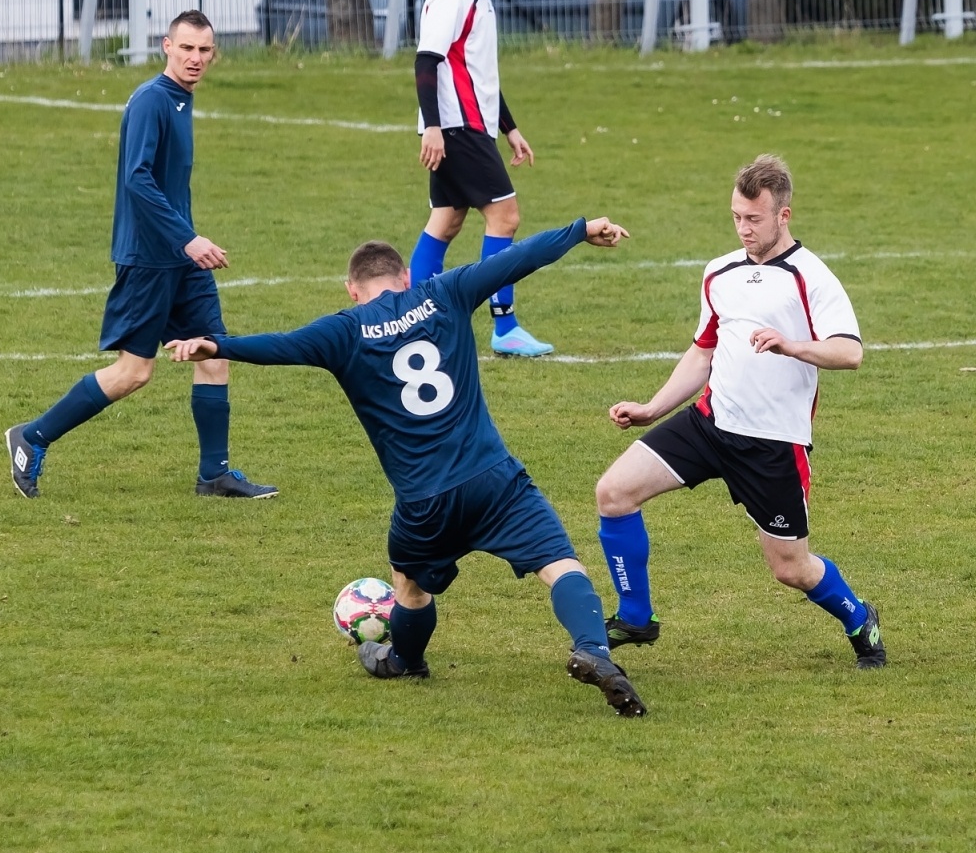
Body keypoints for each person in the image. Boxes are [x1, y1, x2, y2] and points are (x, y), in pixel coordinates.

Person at [166, 217, 647, 717]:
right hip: (494, 479)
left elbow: (280, 345)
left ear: (352, 290)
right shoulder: (445, 291)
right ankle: (593, 649)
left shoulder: (343, 330)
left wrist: (217, 345)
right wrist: (580, 229)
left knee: (409, 585)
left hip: (424, 501)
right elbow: (518, 257)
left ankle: (404, 660)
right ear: (405, 278)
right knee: (560, 564)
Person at [591, 154, 886, 668]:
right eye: (736, 217)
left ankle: (860, 618)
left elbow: (850, 352)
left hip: (772, 443)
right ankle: (636, 617)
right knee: (613, 493)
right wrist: (652, 408)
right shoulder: (719, 272)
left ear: (783, 215)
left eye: (754, 218)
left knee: (790, 568)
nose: (744, 228)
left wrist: (791, 345)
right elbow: (702, 351)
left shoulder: (810, 277)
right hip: (709, 424)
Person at [5, 9, 276, 501]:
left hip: (182, 258)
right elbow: (137, 179)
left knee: (213, 351)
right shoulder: (153, 100)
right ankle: (32, 437)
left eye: (204, 50)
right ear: (166, 46)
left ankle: (214, 474)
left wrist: (187, 243)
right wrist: (187, 239)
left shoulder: (180, 99)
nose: (196, 58)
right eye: (187, 48)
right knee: (134, 372)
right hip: (150, 259)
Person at [406, 0, 553, 359]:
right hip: (457, 129)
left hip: (467, 127)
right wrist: (433, 127)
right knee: (505, 218)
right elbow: (426, 62)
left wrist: (510, 128)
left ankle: (415, 321)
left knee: (446, 222)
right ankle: (504, 326)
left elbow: (480, 75)